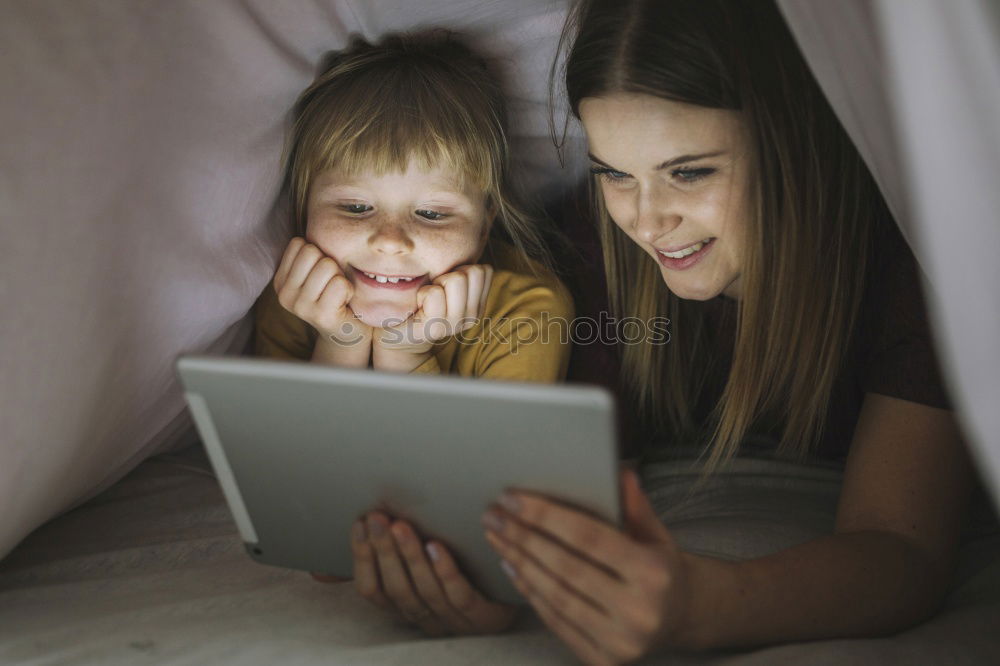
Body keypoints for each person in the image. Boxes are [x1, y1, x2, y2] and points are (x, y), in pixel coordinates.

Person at [476, 0, 979, 662]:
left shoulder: (909, 265)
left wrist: (699, 608)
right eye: (615, 174)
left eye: (689, 172)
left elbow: (903, 548)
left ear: (794, 144)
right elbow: (568, 499)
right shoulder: (589, 251)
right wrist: (485, 579)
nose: (649, 221)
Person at [252, 31, 573, 632]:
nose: (390, 241)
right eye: (353, 207)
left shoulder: (528, 307)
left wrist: (406, 353)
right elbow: (303, 506)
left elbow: (484, 503)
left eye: (431, 213)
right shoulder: (295, 296)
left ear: (487, 220)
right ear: (303, 204)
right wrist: (341, 341)